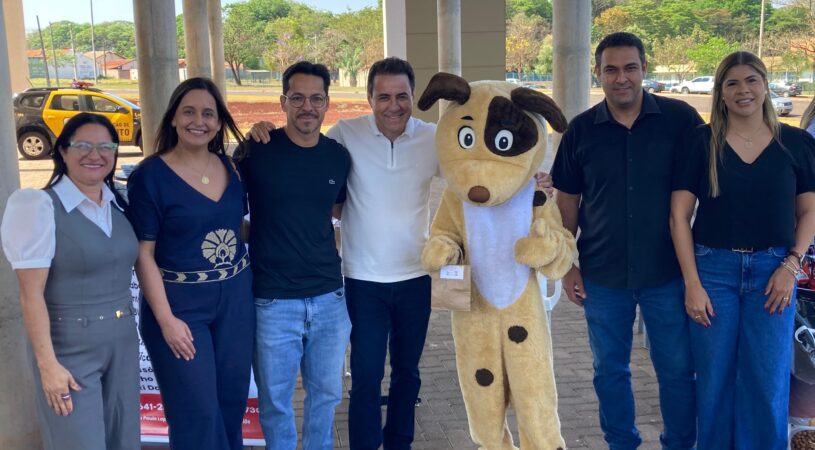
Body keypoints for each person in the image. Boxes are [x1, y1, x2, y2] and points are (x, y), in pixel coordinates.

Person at [551, 31, 702, 450]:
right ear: (597, 73)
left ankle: (680, 444)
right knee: (609, 371)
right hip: (602, 275)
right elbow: (567, 199)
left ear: (644, 69)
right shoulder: (581, 130)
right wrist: (566, 264)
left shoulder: (681, 120)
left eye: (630, 68)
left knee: (677, 370)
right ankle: (621, 443)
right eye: (611, 70)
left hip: (668, 273)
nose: (622, 78)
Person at [670, 51, 815, 450]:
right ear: (720, 92)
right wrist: (692, 284)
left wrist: (791, 265)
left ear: (766, 85)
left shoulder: (796, 143)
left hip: (774, 273)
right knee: (713, 380)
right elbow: (678, 217)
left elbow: (809, 212)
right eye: (731, 83)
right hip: (712, 272)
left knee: (767, 380)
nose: (743, 90)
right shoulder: (701, 142)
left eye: (751, 80)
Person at [127, 77, 254, 450]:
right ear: (172, 118)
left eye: (208, 114)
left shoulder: (232, 168)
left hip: (235, 301)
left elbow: (236, 228)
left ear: (219, 122)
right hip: (180, 306)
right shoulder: (150, 176)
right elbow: (143, 254)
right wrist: (166, 320)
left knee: (231, 405)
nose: (199, 121)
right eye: (189, 112)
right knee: (196, 412)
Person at [0, 113, 139, 450]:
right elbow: (31, 295)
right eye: (83, 145)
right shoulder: (38, 206)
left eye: (105, 147)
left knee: (124, 441)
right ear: (62, 150)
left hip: (122, 344)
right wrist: (48, 365)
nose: (95, 155)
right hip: (69, 350)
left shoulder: (117, 203)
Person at [236, 61, 351, 450]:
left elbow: (333, 213)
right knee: (275, 403)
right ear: (283, 101)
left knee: (326, 396)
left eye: (316, 98)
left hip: (330, 298)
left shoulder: (338, 157)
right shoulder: (256, 150)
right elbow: (228, 212)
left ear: (327, 102)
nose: (307, 107)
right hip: (273, 301)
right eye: (298, 98)